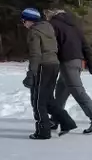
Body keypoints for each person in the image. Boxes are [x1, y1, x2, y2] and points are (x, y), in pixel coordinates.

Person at [43, 8, 92, 135]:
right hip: (77, 62)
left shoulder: (53, 25)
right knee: (61, 91)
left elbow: (52, 46)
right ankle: (55, 119)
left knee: (77, 91)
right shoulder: (74, 26)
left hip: (67, 62)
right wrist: (91, 64)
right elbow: (85, 46)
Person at [20, 8, 76, 139]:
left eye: (23, 21)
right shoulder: (49, 28)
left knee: (38, 100)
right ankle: (67, 122)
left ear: (29, 20)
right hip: (53, 65)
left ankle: (43, 131)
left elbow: (35, 54)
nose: (23, 24)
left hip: (42, 66)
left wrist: (31, 73)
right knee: (48, 99)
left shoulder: (34, 32)